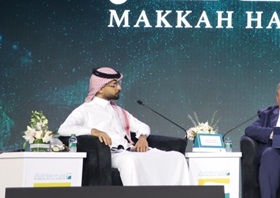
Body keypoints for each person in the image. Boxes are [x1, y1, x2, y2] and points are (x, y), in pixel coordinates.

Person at [58, 67, 190, 186]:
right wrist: (93, 131)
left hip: (129, 150)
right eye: (114, 85)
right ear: (100, 88)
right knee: (129, 162)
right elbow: (63, 129)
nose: (119, 88)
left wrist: (142, 138)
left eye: (119, 84)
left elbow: (142, 126)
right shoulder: (85, 110)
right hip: (110, 155)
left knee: (177, 158)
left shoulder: (118, 111)